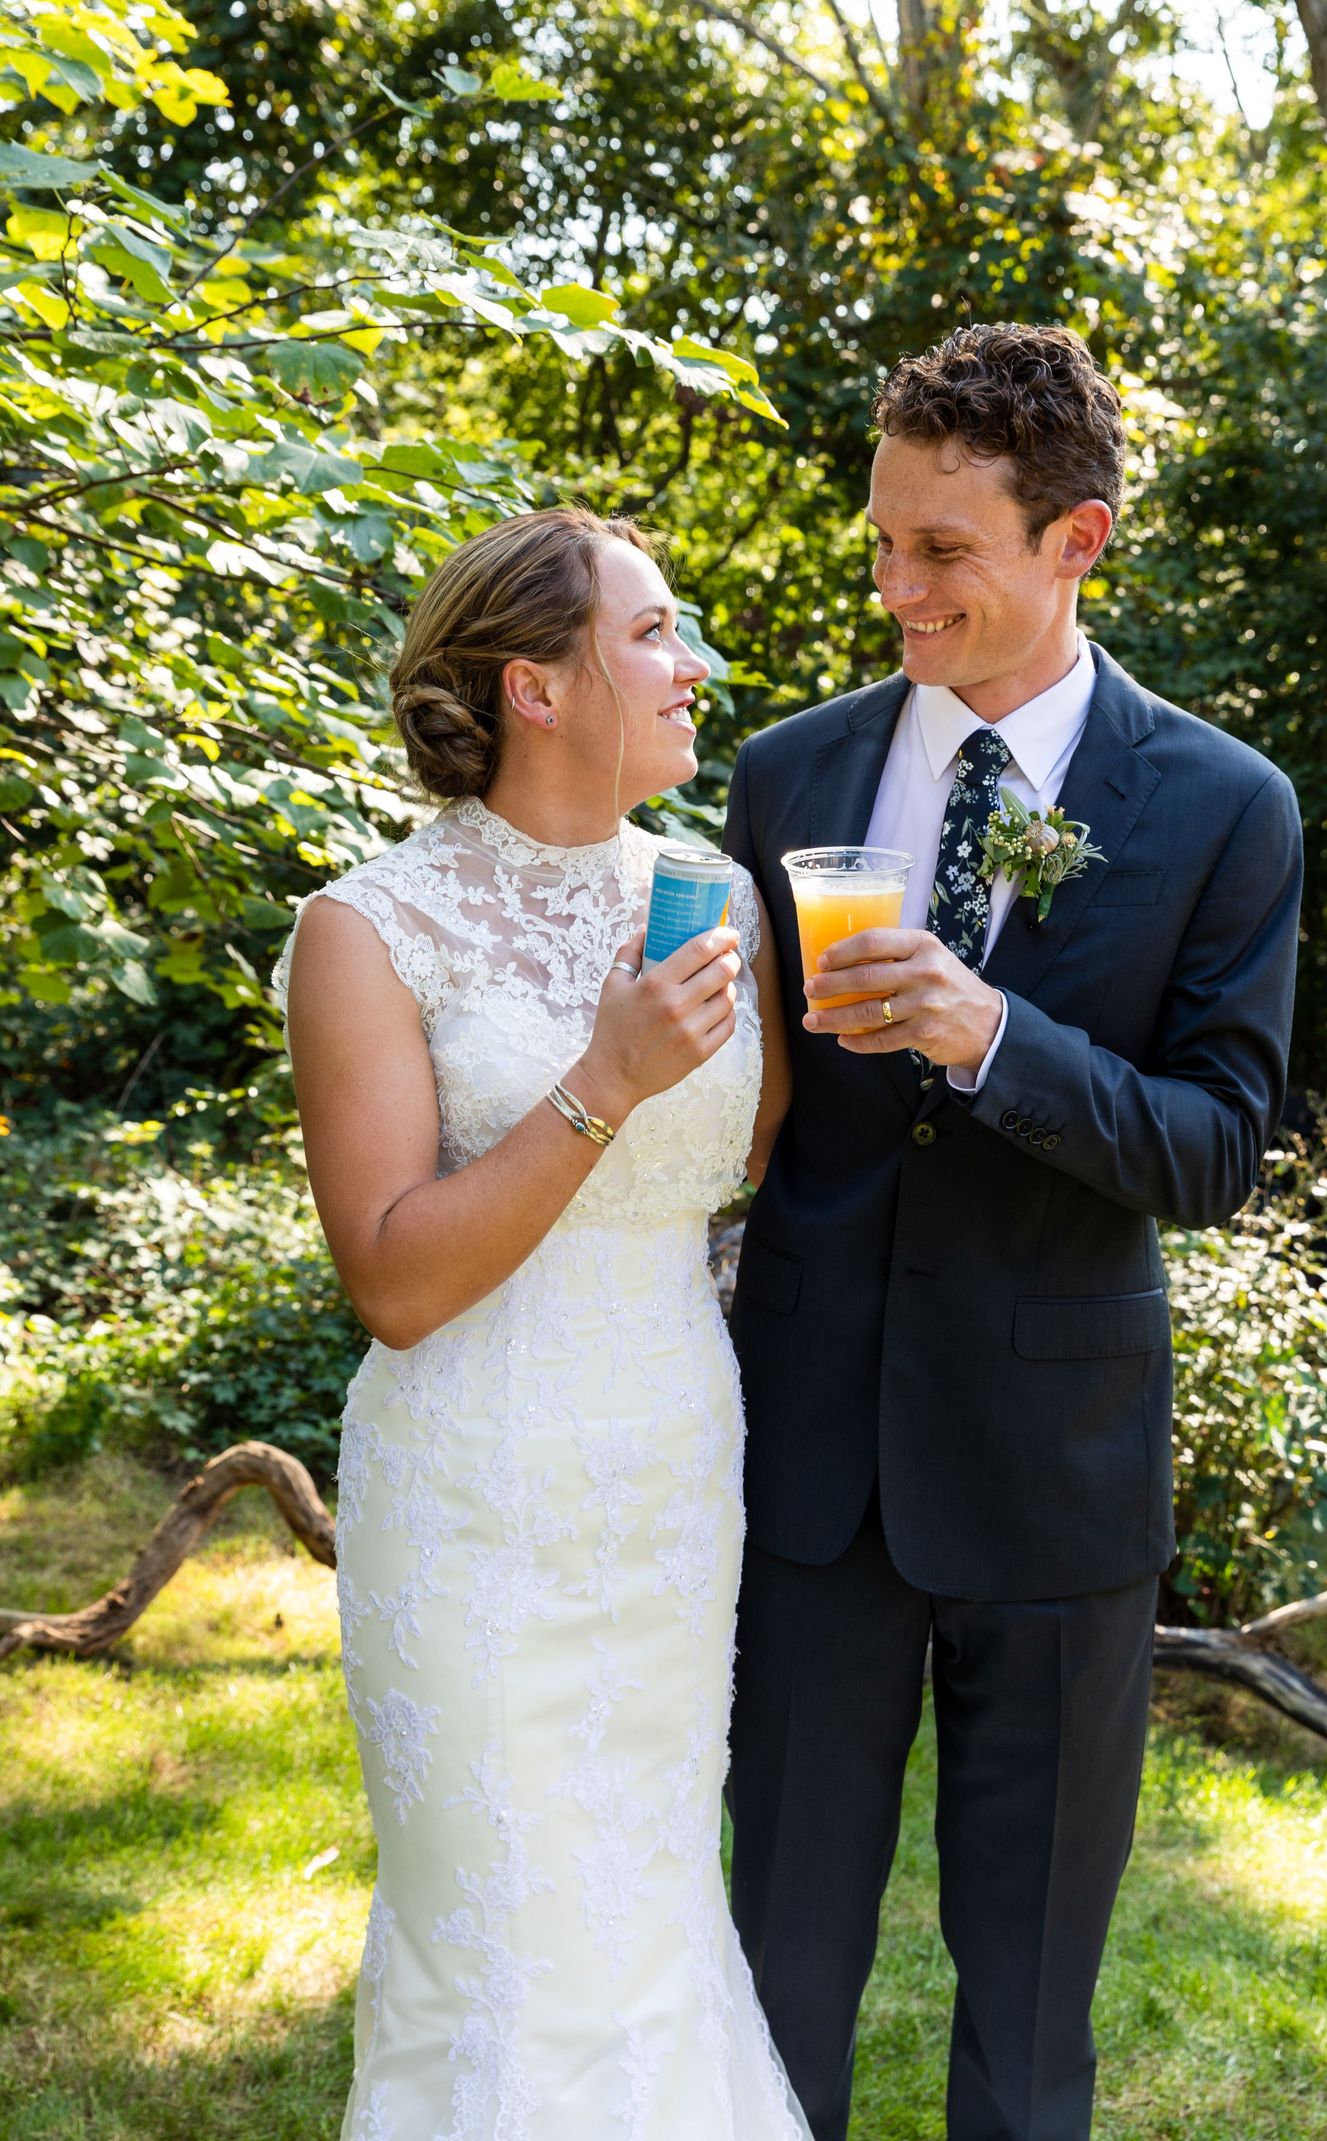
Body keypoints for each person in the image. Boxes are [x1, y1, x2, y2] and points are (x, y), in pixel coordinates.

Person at [723, 322, 1303, 2141]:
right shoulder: (787, 776)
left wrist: (994, 1036)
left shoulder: (1226, 807)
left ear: (1078, 541)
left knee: (1033, 2009)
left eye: (942, 550)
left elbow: (1216, 1147)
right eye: (883, 543)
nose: (896, 590)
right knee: (771, 1977)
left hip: (1059, 1477)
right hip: (812, 1466)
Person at [277, 506, 807, 2140]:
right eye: (650, 632)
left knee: (647, 1919)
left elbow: (746, 1162)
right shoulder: (368, 929)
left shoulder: (721, 897)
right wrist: (604, 1079)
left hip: (670, 1479)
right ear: (537, 687)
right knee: (511, 1944)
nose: (690, 663)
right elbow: (395, 1282)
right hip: (474, 1495)